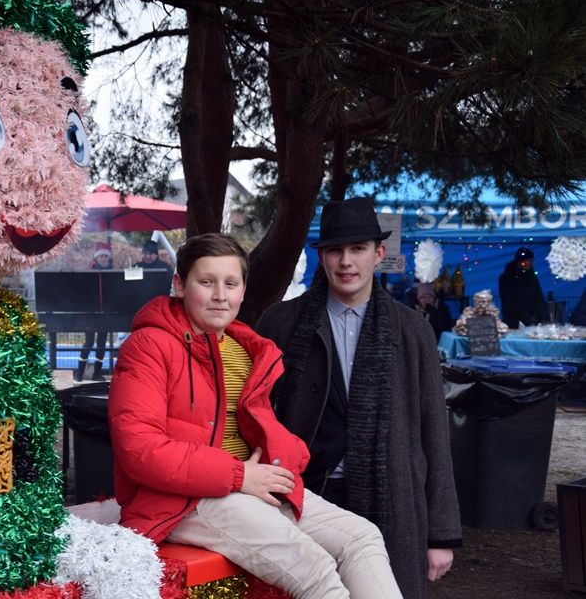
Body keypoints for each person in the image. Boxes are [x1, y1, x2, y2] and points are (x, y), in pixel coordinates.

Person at [109, 232, 403, 598]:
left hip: (249, 485)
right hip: (182, 500)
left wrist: (284, 455)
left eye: (230, 284)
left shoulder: (243, 348)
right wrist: (240, 475)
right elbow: (140, 451)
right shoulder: (148, 346)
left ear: (243, 291)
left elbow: (256, 426)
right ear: (180, 285)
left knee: (362, 537)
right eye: (206, 282)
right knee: (314, 567)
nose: (220, 295)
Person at [255, 197, 461, 599]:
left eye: (358, 249)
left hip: (392, 495)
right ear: (321, 256)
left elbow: (435, 433)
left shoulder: (412, 330)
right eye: (335, 250)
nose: (346, 261)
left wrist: (441, 534)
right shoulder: (281, 322)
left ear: (378, 254)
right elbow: (252, 414)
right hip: (304, 495)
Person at [74, 242, 113, 382]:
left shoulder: (113, 273)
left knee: (101, 343)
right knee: (89, 342)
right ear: (96, 258)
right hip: (90, 313)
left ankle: (96, 373)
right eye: (101, 256)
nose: (103, 258)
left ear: (109, 258)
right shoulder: (89, 272)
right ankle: (79, 373)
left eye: (105, 256)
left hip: (106, 313)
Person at [498, 247, 549, 328]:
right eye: (527, 261)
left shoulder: (532, 277)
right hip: (513, 321)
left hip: (532, 320)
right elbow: (508, 300)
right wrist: (525, 316)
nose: (529, 264)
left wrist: (538, 315)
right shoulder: (506, 278)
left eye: (531, 261)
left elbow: (539, 296)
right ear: (519, 262)